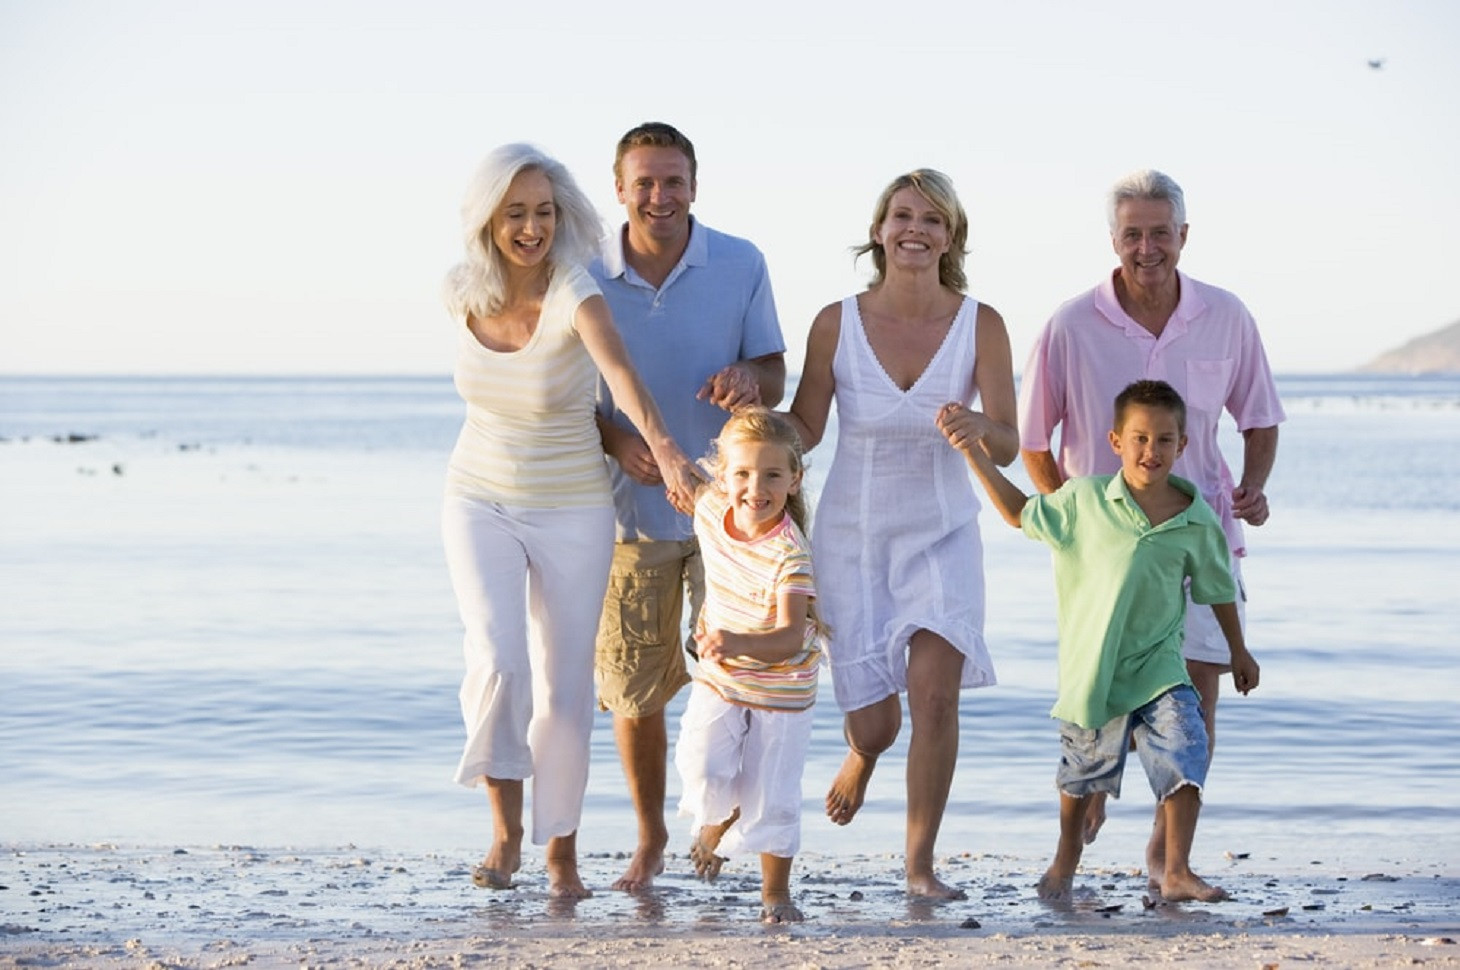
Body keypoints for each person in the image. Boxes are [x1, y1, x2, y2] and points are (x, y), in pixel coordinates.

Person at [440, 143, 698, 899]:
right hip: (476, 494)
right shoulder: (458, 292)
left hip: (573, 506)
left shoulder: (576, 291)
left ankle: (561, 855)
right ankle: (504, 828)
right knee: (496, 659)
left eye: (544, 212)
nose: (531, 228)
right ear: (489, 219)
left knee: (564, 688)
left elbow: (622, 379)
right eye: (515, 213)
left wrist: (668, 455)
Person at [1017, 169, 1284, 859]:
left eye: (1159, 233)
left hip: (1198, 540)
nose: (1146, 248)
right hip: (1104, 562)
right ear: (1114, 239)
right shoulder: (1070, 324)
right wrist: (1070, 528)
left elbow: (1259, 419)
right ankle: (1083, 819)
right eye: (1132, 234)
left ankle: (1168, 854)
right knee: (1099, 698)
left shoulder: (1227, 315)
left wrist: (1252, 487)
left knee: (1195, 696)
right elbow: (1031, 440)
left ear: (1183, 237)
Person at [785, 169, 1019, 898]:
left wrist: (982, 428)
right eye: (902, 215)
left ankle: (920, 866)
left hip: (943, 533)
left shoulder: (983, 324)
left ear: (952, 238)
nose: (915, 229)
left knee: (934, 693)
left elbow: (1009, 440)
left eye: (932, 220)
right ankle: (864, 754)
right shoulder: (836, 322)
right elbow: (804, 427)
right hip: (852, 541)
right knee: (879, 722)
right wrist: (751, 427)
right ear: (879, 230)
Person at [943, 379, 1260, 904]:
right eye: (1139, 438)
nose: (1150, 451)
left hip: (1161, 669)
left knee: (1188, 751)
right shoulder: (1083, 500)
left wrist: (1238, 650)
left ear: (1183, 446)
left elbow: (1217, 589)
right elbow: (1017, 511)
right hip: (1095, 672)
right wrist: (975, 453)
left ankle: (1176, 870)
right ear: (1116, 442)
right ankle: (1064, 861)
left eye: (1163, 440)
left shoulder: (1197, 517)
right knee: (1081, 779)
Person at [590, 122, 788, 893]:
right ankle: (650, 838)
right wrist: (613, 438)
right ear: (619, 190)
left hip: (733, 517)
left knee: (732, 672)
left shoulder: (741, 262)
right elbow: (567, 392)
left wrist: (749, 377)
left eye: (673, 181)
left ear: (695, 185)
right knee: (635, 689)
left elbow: (775, 370)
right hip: (626, 515)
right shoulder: (585, 271)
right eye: (644, 182)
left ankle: (722, 823)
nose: (660, 196)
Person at [672, 407, 825, 924]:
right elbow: (682, 478)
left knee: (775, 790)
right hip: (722, 674)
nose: (754, 488)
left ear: (794, 479)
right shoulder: (712, 509)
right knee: (701, 762)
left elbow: (785, 638)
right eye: (741, 473)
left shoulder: (790, 555)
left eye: (772, 475)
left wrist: (732, 639)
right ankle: (717, 819)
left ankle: (776, 894)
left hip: (782, 686)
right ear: (723, 475)